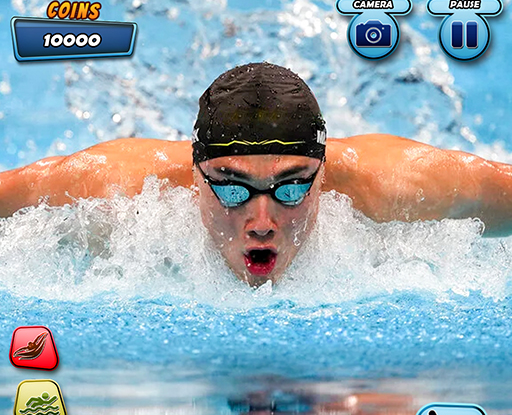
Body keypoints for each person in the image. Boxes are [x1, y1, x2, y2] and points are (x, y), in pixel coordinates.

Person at [1, 61, 512, 287]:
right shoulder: (115, 188)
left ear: (324, 173)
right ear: (194, 174)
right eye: (231, 188)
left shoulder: (398, 185)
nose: (262, 222)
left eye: (292, 186)